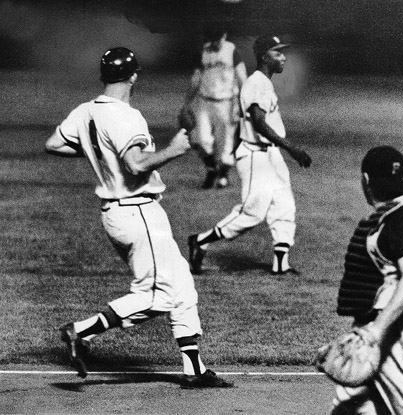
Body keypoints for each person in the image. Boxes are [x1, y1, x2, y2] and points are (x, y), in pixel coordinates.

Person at [44, 47, 233, 388]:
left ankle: (194, 370)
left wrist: (97, 151)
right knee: (158, 294)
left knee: (182, 286)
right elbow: (136, 164)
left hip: (118, 215)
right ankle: (80, 331)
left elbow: (54, 144)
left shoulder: (86, 111)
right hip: (138, 212)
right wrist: (175, 149)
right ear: (133, 75)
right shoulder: (125, 116)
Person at [330, 146, 403, 414]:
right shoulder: (395, 214)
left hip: (395, 335)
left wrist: (376, 331)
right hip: (380, 331)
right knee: (349, 410)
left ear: (365, 180)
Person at [187, 35, 312, 276]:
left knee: (284, 206)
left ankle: (281, 262)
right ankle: (200, 241)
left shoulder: (264, 82)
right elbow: (259, 123)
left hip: (271, 155)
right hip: (256, 157)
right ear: (264, 56)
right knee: (252, 213)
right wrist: (292, 148)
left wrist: (283, 150)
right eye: (277, 52)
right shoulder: (256, 84)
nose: (283, 57)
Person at [182, 27, 247, 189]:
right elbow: (196, 79)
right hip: (204, 102)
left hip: (227, 102)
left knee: (225, 142)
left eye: (219, 38)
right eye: (213, 39)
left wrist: (240, 105)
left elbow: (242, 78)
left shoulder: (231, 50)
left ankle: (223, 175)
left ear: (224, 36)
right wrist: (186, 103)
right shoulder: (204, 51)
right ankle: (212, 169)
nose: (216, 42)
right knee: (201, 139)